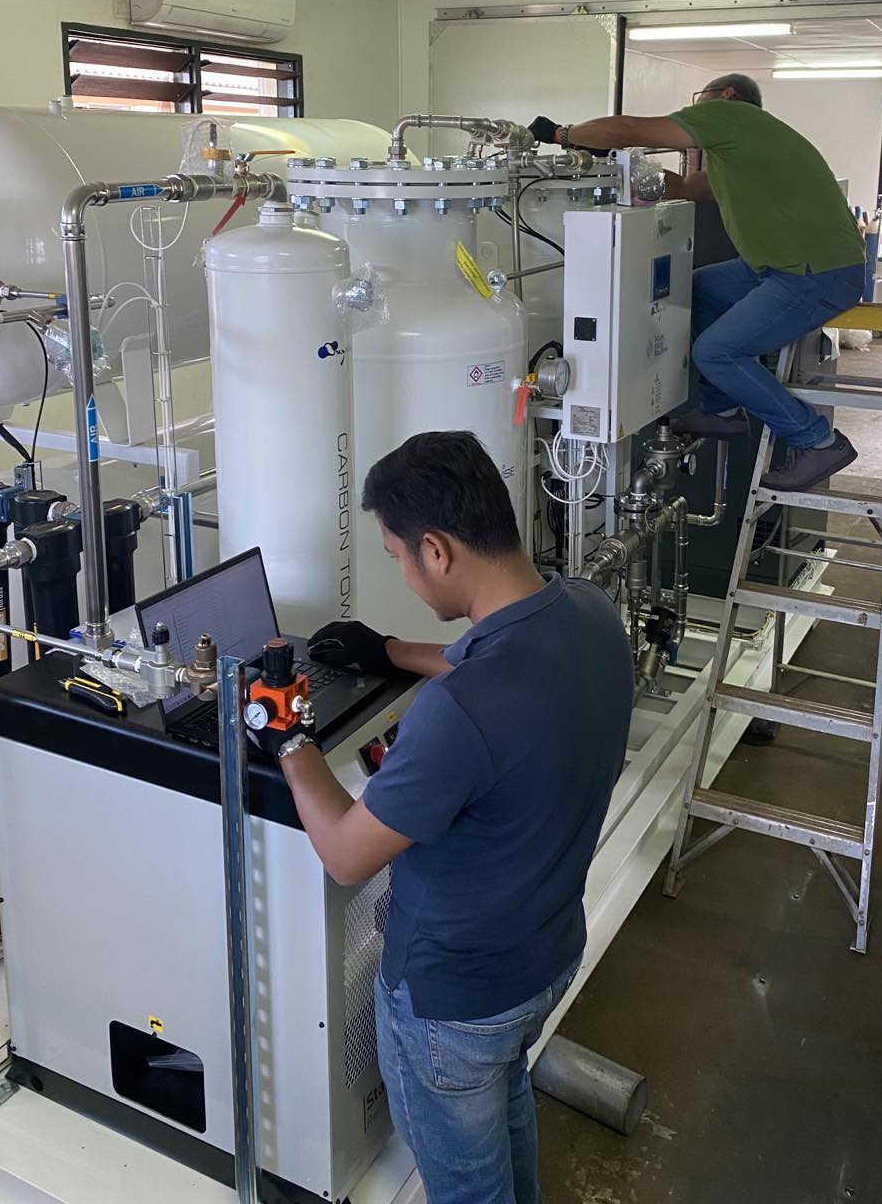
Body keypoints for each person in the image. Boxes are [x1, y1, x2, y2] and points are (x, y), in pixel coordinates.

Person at [257, 429, 633, 1204]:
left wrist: (286, 736)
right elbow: (494, 655)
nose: (402, 570)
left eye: (396, 555)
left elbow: (346, 854)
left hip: (452, 1005)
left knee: (466, 1188)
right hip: (546, 959)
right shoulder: (591, 614)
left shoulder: (457, 715)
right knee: (506, 1107)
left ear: (436, 550)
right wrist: (389, 650)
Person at [529, 73, 866, 493]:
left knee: (717, 352)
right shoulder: (741, 152)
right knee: (698, 289)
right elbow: (687, 188)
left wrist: (563, 134)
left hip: (817, 272)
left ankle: (818, 441)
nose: (693, 109)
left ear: (725, 97)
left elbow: (635, 127)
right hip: (778, 267)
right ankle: (722, 410)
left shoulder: (731, 116)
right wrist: (615, 158)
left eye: (699, 100)